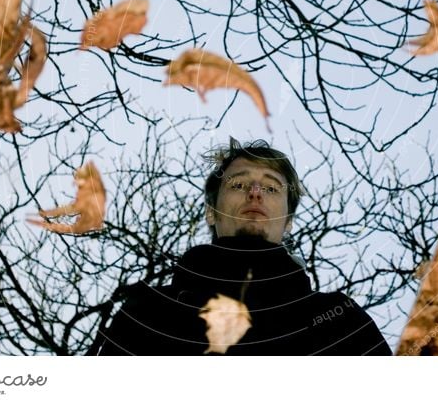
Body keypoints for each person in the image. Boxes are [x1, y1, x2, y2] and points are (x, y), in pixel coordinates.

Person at [94, 137, 391, 355]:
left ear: (288, 220)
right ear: (211, 211)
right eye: (238, 184)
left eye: (272, 187)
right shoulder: (150, 312)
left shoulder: (338, 319)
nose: (255, 193)